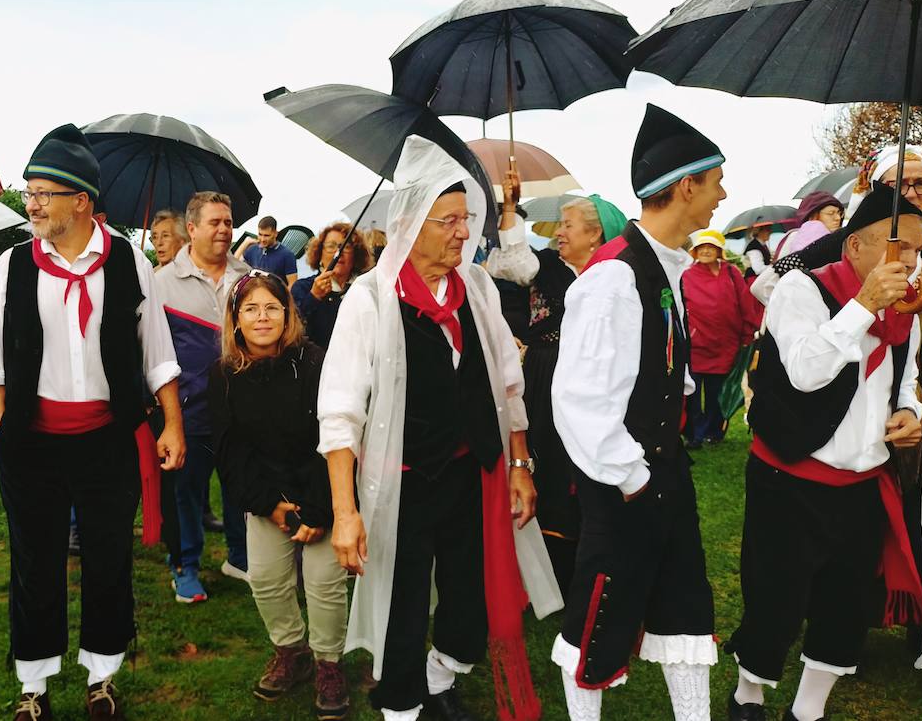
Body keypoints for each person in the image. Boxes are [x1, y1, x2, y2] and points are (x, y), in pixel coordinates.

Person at [320, 136, 560, 721]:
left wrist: (521, 464)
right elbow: (341, 411)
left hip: (471, 471)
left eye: (466, 219)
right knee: (402, 604)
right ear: (410, 224)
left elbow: (508, 382)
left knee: (470, 596)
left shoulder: (475, 289)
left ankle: (443, 671)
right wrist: (346, 511)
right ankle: (401, 705)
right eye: (448, 220)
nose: (461, 232)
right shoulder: (370, 300)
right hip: (402, 480)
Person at [0, 124, 185, 720]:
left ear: (82, 202)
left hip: (106, 441)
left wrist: (169, 424)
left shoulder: (128, 260)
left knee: (107, 560)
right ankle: (34, 684)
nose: (33, 204)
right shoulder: (11, 265)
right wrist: (3, 434)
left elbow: (158, 352)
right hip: (32, 445)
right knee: (35, 562)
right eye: (30, 192)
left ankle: (101, 676)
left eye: (44, 193)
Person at [551, 104, 725, 721]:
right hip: (626, 484)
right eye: (715, 182)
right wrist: (632, 475)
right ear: (686, 186)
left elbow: (657, 374)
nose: (721, 195)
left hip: (661, 471)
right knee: (599, 620)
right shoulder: (613, 279)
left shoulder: (663, 267)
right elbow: (578, 399)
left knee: (685, 604)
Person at [729, 182, 922, 721]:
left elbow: (904, 380)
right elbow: (807, 372)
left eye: (918, 249)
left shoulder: (909, 309)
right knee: (775, 598)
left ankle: (808, 710)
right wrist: (864, 306)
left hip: (863, 483)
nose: (910, 261)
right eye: (899, 247)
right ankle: (748, 695)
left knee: (846, 607)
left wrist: (910, 412)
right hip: (790, 477)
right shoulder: (802, 290)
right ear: (855, 247)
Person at [209, 270, 349, 721]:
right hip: (265, 498)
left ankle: (329, 662)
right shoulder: (225, 375)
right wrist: (268, 504)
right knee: (267, 579)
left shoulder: (313, 362)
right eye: (251, 308)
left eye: (272, 307)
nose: (262, 317)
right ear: (236, 319)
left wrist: (318, 508)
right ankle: (292, 651)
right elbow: (229, 451)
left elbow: (332, 437)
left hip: (321, 493)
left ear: (287, 314)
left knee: (325, 582)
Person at [485, 192, 628, 594]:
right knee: (548, 459)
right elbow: (512, 263)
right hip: (547, 371)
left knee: (586, 462)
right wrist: (510, 211)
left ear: (595, 233)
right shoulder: (545, 265)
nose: (558, 233)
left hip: (597, 378)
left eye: (567, 225)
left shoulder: (614, 274)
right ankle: (548, 570)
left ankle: (593, 558)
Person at [155, 190, 253, 602]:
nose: (224, 230)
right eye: (215, 222)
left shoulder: (246, 275)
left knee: (240, 486)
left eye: (228, 222)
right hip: (187, 409)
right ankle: (186, 566)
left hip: (238, 409)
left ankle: (240, 557)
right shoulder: (160, 283)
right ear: (191, 229)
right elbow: (151, 351)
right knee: (185, 493)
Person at [682, 229, 757, 448]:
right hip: (696, 346)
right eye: (702, 247)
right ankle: (693, 435)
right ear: (695, 251)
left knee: (717, 395)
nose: (706, 250)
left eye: (711, 246)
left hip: (725, 346)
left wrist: (746, 334)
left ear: (719, 251)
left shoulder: (732, 274)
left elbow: (745, 304)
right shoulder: (686, 275)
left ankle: (713, 431)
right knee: (692, 394)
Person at [291, 222, 374, 348]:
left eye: (345, 246)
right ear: (319, 253)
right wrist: (313, 297)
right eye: (331, 246)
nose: (338, 252)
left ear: (355, 254)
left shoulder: (366, 288)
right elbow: (294, 328)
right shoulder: (303, 287)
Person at [775, 192, 843, 259]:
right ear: (813, 216)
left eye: (839, 213)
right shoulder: (794, 237)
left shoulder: (842, 240)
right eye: (830, 213)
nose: (838, 218)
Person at [238, 215, 298, 284]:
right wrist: (245, 243)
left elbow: (292, 284)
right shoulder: (253, 249)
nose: (262, 239)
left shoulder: (287, 255)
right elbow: (233, 265)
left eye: (266, 235)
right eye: (260, 234)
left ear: (275, 234)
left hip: (276, 293)